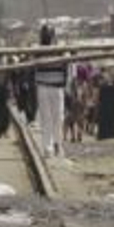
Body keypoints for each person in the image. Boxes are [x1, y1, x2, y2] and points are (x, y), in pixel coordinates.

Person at [34, 25, 69, 157]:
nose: (47, 37)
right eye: (46, 34)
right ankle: (47, 147)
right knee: (46, 117)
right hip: (43, 86)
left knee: (59, 117)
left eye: (49, 34)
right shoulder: (38, 49)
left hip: (57, 86)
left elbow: (67, 59)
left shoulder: (60, 49)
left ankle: (57, 144)